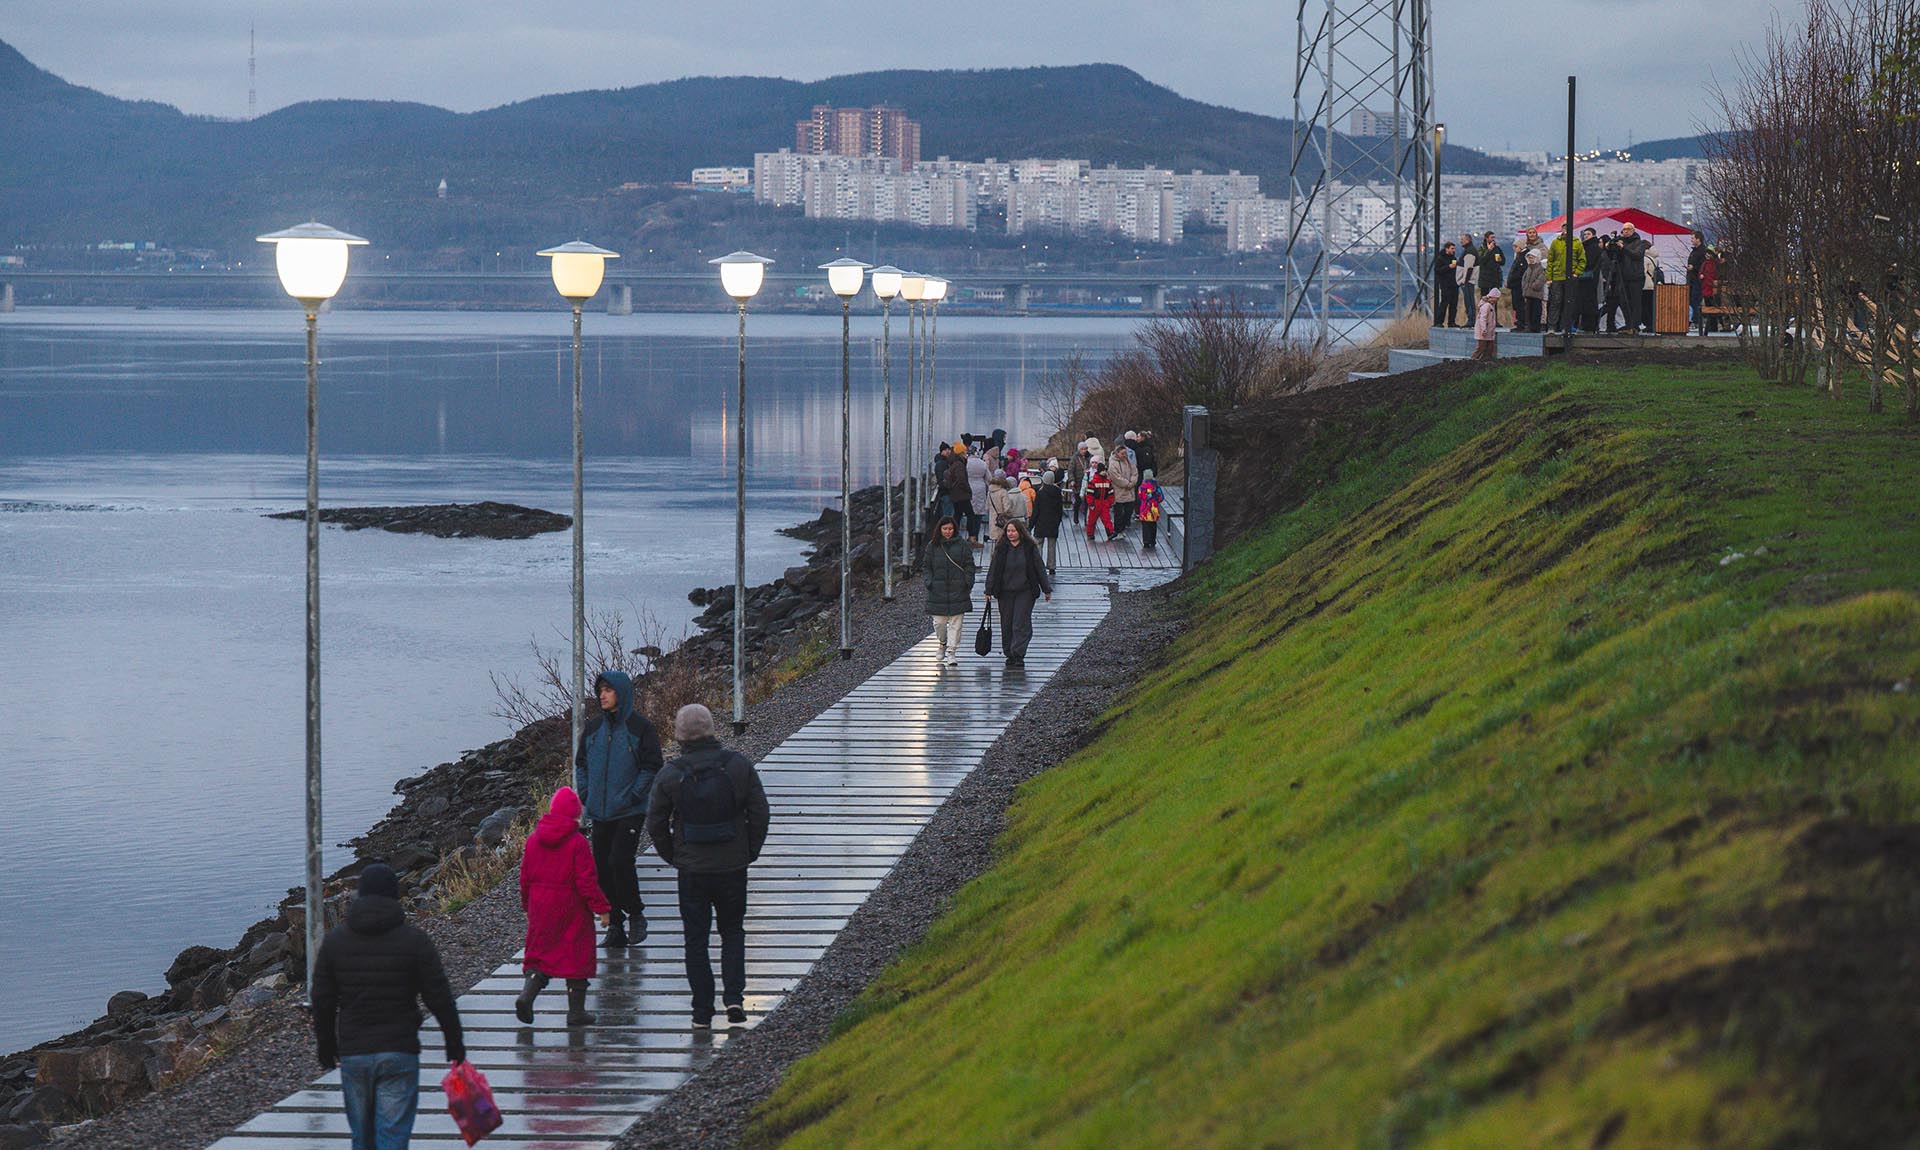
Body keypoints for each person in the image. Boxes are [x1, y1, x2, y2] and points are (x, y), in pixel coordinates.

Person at [312, 863, 465, 1150]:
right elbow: (439, 996)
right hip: (399, 1050)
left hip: (354, 1054)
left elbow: (322, 1000)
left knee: (362, 1139)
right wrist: (454, 1042)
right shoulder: (415, 941)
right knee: (392, 1138)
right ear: (395, 897)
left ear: (360, 896)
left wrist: (325, 1045)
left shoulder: (336, 943)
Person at [645, 704, 770, 1030]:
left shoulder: (671, 774)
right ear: (713, 729)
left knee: (695, 939)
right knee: (732, 931)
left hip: (693, 871)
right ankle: (734, 999)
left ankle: (702, 1011)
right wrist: (750, 850)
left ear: (680, 734)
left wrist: (673, 856)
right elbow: (760, 811)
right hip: (732, 866)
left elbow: (655, 821)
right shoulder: (738, 765)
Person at [574, 669, 664, 948]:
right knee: (601, 868)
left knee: (620, 861)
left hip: (629, 810)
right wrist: (586, 794)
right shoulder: (592, 729)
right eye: (600, 690)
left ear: (621, 694)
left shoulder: (640, 728)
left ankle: (636, 914)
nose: (602, 695)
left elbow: (652, 765)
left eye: (608, 690)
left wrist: (633, 795)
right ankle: (615, 925)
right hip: (600, 811)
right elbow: (581, 764)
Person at [516, 785, 611, 1028]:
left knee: (539, 954)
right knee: (577, 956)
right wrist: (601, 908)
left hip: (540, 905)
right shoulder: (578, 843)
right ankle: (576, 1012)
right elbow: (586, 881)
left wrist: (527, 905)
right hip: (571, 907)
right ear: (576, 815)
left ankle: (527, 996)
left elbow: (525, 877)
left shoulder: (533, 840)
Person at [984, 519, 1052, 669]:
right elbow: (993, 569)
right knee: (1006, 623)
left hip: (1025, 591)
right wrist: (988, 590)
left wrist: (1046, 588)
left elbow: (1039, 568)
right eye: (1008, 531)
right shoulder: (1001, 548)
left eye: (1013, 531)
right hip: (1005, 592)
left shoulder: (1029, 547)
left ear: (1020, 532)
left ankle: (1019, 653)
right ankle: (1009, 652)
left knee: (1020, 622)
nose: (1011, 534)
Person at [922, 515, 975, 666]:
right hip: (937, 590)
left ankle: (952, 652)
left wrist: (968, 581)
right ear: (939, 529)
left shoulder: (963, 545)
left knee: (956, 624)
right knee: (939, 623)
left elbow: (969, 564)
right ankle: (942, 643)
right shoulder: (932, 546)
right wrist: (929, 582)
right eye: (945, 529)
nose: (947, 531)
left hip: (959, 589)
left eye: (950, 529)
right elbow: (926, 566)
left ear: (955, 529)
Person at [1547, 229, 1586, 333]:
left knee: (1568, 302)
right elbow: (1550, 260)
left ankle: (1565, 327)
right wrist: (1549, 277)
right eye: (1564, 228)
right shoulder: (1555, 242)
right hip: (1557, 277)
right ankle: (1552, 327)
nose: (1565, 230)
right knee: (1555, 301)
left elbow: (1582, 260)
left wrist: (1576, 273)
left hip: (1571, 278)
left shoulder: (1577, 243)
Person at [1614, 223, 1650, 335]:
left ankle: (1635, 326)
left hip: (1635, 277)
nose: (1625, 231)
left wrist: (1623, 248)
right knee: (1624, 302)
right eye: (1623, 229)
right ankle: (1628, 324)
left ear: (1633, 230)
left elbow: (1637, 255)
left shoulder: (1639, 243)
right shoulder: (1621, 242)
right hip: (1623, 277)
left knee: (1635, 302)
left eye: (1628, 229)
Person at [1030, 469, 1065, 571]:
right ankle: (1052, 566)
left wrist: (1031, 524)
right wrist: (1058, 521)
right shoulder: (1058, 493)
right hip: (1053, 523)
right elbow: (1059, 510)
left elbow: (1036, 510)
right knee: (1052, 546)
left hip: (1041, 522)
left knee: (1038, 544)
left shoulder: (1040, 493)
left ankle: (1038, 566)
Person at [942, 441, 975, 542]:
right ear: (961, 453)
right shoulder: (959, 465)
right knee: (970, 515)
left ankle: (953, 535)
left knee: (957, 515)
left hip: (955, 495)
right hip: (962, 495)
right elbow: (962, 480)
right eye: (965, 452)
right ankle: (972, 537)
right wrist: (968, 490)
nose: (966, 454)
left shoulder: (953, 463)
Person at [1107, 441, 1139, 537]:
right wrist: (1127, 483)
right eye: (1122, 453)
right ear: (1117, 453)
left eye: (1125, 453)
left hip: (1130, 492)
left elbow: (1135, 472)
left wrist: (1132, 482)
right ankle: (1117, 530)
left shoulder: (1128, 461)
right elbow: (1115, 477)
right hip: (1119, 492)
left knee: (1129, 511)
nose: (1124, 455)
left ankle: (1122, 527)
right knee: (1119, 513)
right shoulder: (1113, 463)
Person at [965, 445, 990, 546]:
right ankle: (975, 536)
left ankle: (970, 536)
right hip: (980, 488)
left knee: (969, 513)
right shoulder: (982, 463)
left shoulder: (966, 463)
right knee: (979, 513)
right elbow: (989, 478)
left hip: (968, 487)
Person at [1084, 461, 1115, 541]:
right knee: (1091, 520)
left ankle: (1110, 533)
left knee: (1107, 519)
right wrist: (1091, 503)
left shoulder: (1108, 482)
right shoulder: (1093, 482)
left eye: (1105, 470)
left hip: (1104, 503)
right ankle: (1090, 534)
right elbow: (1089, 494)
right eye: (1103, 471)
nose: (1104, 472)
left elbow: (1111, 493)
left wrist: (1110, 502)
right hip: (1096, 503)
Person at [1434, 241, 1459, 327]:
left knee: (1454, 304)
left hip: (1454, 284)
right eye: (1452, 248)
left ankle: (1451, 322)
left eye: (1454, 248)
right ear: (1446, 249)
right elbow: (1437, 270)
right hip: (1445, 285)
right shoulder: (1440, 258)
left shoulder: (1454, 258)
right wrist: (1448, 267)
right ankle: (1439, 322)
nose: (1453, 250)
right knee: (1444, 303)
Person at [1686, 231, 1708, 332]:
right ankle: (1694, 320)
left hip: (1697, 280)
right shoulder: (1694, 251)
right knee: (1691, 300)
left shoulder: (1702, 251)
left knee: (1695, 300)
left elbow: (1703, 266)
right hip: (1692, 279)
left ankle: (1696, 321)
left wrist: (1693, 267)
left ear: (1698, 239)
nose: (1691, 240)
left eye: (1693, 238)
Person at [1455, 233, 1478, 327]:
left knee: (1469, 300)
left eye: (1462, 239)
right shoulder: (1468, 250)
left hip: (1467, 281)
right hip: (1467, 280)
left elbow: (1469, 268)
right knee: (1469, 300)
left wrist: (1464, 280)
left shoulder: (1470, 252)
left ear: (1468, 240)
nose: (1461, 241)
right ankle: (1471, 319)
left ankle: (1471, 320)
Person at [1135, 476, 1165, 549]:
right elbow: (1161, 497)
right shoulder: (1156, 486)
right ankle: (1152, 541)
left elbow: (1139, 497)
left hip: (1144, 509)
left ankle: (1146, 541)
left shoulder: (1142, 486)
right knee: (1153, 525)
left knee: (1145, 526)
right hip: (1153, 509)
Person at [1521, 249, 1547, 333]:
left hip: (1536, 294)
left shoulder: (1540, 268)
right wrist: (1525, 287)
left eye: (1532, 258)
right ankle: (1529, 326)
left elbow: (1541, 280)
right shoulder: (1528, 268)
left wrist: (1533, 286)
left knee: (1536, 311)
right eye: (1530, 258)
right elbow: (1524, 279)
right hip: (1528, 294)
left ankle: (1536, 327)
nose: (1531, 260)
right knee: (1528, 312)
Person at [1477, 231, 1507, 301]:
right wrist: (1489, 251)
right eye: (1491, 237)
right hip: (1485, 278)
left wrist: (1500, 260)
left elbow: (1503, 262)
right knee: (1484, 299)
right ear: (1486, 238)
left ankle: (1494, 312)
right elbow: (1481, 261)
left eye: (1494, 237)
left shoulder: (1497, 248)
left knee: (1494, 299)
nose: (1493, 239)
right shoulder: (1482, 248)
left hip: (1495, 278)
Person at [1473, 288, 1501, 359]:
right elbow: (1482, 319)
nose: (1497, 300)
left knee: (1489, 348)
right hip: (1484, 332)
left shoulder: (1491, 305)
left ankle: (1485, 360)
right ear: (1492, 296)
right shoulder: (1486, 306)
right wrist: (1484, 329)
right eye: (1497, 298)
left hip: (1489, 332)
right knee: (1481, 347)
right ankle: (1473, 359)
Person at [1698, 247, 1721, 334]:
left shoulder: (1715, 264)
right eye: (1707, 254)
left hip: (1712, 289)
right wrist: (1701, 276)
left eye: (1709, 254)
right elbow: (1700, 273)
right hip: (1706, 288)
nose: (1707, 255)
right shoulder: (1704, 264)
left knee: (1712, 308)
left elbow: (1717, 275)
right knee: (1709, 307)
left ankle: (1713, 326)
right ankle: (1711, 326)